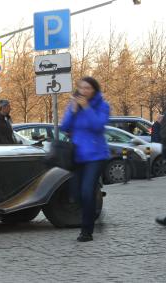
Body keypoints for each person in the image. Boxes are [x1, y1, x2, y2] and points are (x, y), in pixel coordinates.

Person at [60, 76, 110, 242]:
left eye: (87, 88)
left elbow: (98, 126)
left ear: (94, 90)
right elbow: (65, 127)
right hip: (77, 155)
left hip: (96, 155)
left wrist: (86, 107)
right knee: (76, 194)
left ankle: (86, 231)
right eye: (81, 87)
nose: (84, 91)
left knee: (87, 192)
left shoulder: (102, 105)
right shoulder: (74, 105)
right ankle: (93, 212)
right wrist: (73, 110)